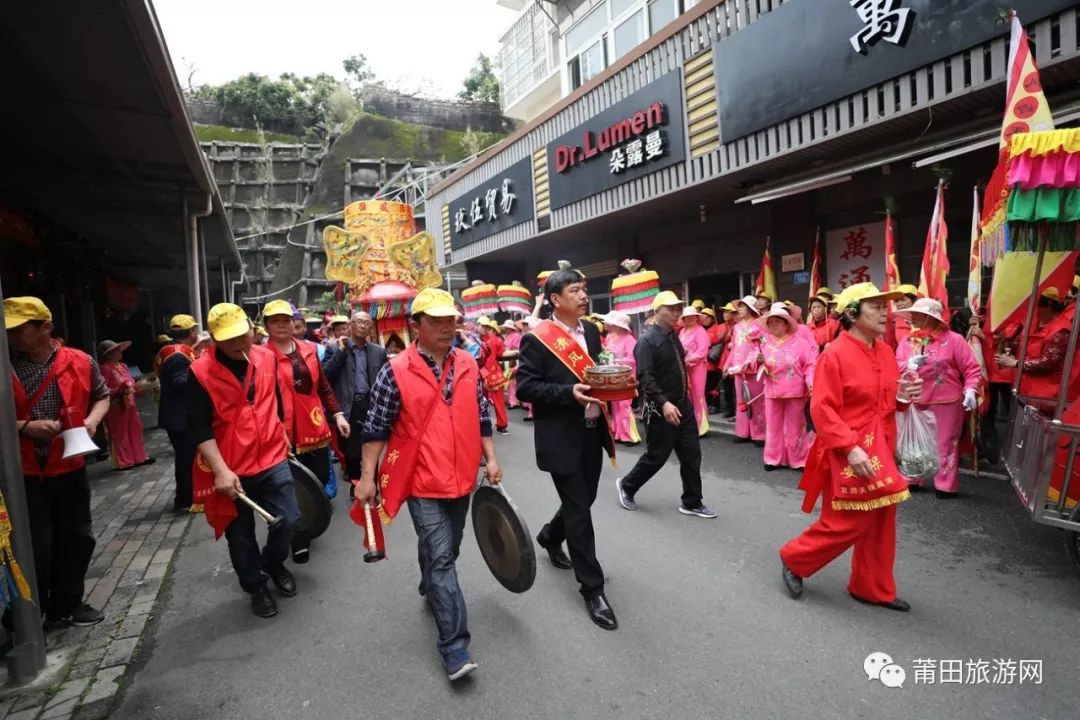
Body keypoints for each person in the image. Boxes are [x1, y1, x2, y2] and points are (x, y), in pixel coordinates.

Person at [354, 288, 502, 682]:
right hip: (422, 481)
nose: (445, 327)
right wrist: (368, 478)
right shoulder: (395, 369)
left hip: (463, 478)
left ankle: (431, 583)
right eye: (435, 321)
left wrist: (490, 458)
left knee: (448, 549)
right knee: (442, 559)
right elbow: (375, 428)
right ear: (415, 326)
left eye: (450, 319)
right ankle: (455, 647)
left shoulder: (469, 363)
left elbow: (482, 413)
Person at [779, 283, 922, 612]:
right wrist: (850, 447)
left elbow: (887, 403)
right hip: (849, 450)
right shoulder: (834, 354)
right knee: (846, 521)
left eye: (885, 306)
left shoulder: (885, 351)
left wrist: (904, 396)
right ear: (853, 313)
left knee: (883, 520)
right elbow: (822, 409)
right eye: (876, 307)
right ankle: (794, 558)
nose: (886, 312)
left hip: (882, 448)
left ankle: (872, 588)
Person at [516, 267, 619, 630]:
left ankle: (548, 536)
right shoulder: (537, 339)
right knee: (579, 511)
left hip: (592, 431)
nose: (582, 296)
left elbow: (597, 371)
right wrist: (566, 394)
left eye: (583, 289)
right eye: (574, 291)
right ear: (555, 300)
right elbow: (526, 388)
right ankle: (592, 588)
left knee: (584, 499)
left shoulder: (591, 331)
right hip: (561, 438)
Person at [187, 303, 300, 618]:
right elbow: (198, 427)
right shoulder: (199, 372)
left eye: (243, 335)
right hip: (231, 465)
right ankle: (256, 586)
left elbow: (273, 400)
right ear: (213, 339)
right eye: (228, 339)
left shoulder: (265, 356)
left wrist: (282, 433)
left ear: (252, 328)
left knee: (289, 519)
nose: (239, 344)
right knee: (240, 536)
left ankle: (274, 563)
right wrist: (221, 471)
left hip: (272, 456)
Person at [6, 297, 109, 628]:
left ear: (45, 327)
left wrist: (92, 421)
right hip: (23, 471)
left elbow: (102, 395)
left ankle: (69, 604)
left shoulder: (80, 361)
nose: (12, 337)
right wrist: (25, 427)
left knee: (78, 537)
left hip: (69, 466)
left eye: (19, 330)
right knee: (36, 545)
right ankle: (35, 610)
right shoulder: (6, 367)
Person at [616, 291, 716, 523]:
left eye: (678, 309)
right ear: (657, 310)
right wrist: (664, 403)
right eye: (670, 309)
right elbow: (645, 377)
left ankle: (692, 501)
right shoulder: (646, 341)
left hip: (683, 405)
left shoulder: (674, 335)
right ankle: (627, 486)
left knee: (692, 455)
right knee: (656, 456)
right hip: (658, 408)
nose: (676, 313)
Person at [263, 300, 350, 559]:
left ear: (294, 323)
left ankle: (307, 521)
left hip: (314, 427)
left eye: (286, 320)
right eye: (275, 321)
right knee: (288, 487)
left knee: (319, 479)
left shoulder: (309, 350)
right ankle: (297, 537)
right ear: (266, 325)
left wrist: (337, 414)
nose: (281, 325)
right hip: (281, 433)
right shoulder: (260, 356)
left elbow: (323, 386)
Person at [896, 298, 983, 498]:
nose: (913, 318)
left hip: (947, 402)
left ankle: (945, 484)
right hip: (914, 399)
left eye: (918, 314)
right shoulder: (907, 341)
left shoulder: (954, 340)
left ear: (931, 317)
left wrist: (971, 390)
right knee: (913, 440)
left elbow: (972, 368)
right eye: (914, 314)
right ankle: (912, 477)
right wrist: (908, 364)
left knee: (945, 443)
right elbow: (895, 364)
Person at [324, 311, 388, 495]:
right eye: (358, 322)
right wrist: (342, 352)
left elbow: (385, 379)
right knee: (351, 453)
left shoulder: (378, 351)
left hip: (370, 404)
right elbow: (326, 376)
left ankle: (371, 485)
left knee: (372, 447)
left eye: (366, 323)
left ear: (371, 328)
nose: (362, 325)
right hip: (347, 406)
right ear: (350, 325)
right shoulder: (335, 348)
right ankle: (355, 482)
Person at [995, 287, 1080, 407]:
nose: (1034, 310)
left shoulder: (1061, 330)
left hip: (1046, 397)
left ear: (1049, 305)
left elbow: (1048, 362)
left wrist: (1016, 363)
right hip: (1024, 390)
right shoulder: (1033, 323)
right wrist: (1007, 345)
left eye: (1037, 305)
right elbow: (1021, 345)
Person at [757, 304, 817, 471]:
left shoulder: (801, 343)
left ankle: (798, 459)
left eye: (777, 321)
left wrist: (811, 383)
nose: (773, 325)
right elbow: (760, 367)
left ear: (786, 324)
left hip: (795, 391)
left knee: (796, 426)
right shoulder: (765, 344)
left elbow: (810, 365)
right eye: (771, 322)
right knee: (773, 426)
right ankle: (772, 458)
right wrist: (759, 362)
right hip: (772, 391)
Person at [156, 314, 200, 511]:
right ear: (191, 332)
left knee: (185, 458)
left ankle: (185, 497)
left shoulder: (170, 350)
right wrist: (201, 373)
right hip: (180, 417)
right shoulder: (177, 354)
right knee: (186, 459)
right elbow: (180, 383)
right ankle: (187, 499)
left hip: (177, 415)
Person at [99, 339, 152, 471]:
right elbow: (104, 389)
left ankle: (139, 457)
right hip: (116, 405)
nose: (120, 352)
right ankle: (125, 461)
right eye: (116, 350)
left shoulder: (123, 366)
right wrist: (118, 390)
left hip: (130, 403)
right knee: (120, 432)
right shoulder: (105, 369)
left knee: (136, 428)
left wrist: (141, 387)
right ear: (109, 354)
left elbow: (132, 383)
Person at [726, 296, 766, 444]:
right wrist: (728, 364)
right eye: (740, 306)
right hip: (738, 368)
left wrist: (750, 361)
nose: (739, 309)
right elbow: (734, 347)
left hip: (753, 368)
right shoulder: (736, 327)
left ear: (750, 309)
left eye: (743, 306)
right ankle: (743, 432)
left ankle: (759, 433)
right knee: (741, 400)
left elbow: (761, 347)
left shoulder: (759, 325)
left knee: (756, 400)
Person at [601, 311, 640, 445]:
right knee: (615, 404)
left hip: (626, 375)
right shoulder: (610, 336)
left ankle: (630, 435)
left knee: (624, 405)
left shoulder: (630, 340)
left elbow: (633, 359)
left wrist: (616, 360)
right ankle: (618, 433)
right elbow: (606, 351)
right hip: (613, 374)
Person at [679, 305, 711, 437]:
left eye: (692, 316)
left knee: (698, 395)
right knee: (688, 396)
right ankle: (690, 424)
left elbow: (703, 351)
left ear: (697, 318)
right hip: (685, 368)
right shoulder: (682, 332)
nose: (690, 318)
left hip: (697, 367)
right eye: (687, 317)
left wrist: (689, 359)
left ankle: (701, 426)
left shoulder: (700, 331)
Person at [478, 318, 509, 434]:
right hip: (481, 372)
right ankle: (486, 424)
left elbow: (497, 356)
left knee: (496, 400)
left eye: (488, 327)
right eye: (483, 326)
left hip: (490, 373)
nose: (486, 329)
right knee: (482, 401)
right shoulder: (480, 339)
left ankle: (501, 424)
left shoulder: (493, 341)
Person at [718, 303, 738, 419]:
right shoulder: (721, 326)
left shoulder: (738, 326)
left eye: (728, 311)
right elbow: (719, 338)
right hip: (725, 358)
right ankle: (729, 409)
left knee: (737, 388)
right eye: (724, 312)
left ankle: (737, 412)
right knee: (727, 387)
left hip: (735, 358)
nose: (725, 314)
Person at [502, 319, 523, 409]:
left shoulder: (515, 336)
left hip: (512, 359)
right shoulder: (508, 336)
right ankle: (514, 401)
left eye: (507, 328)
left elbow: (515, 347)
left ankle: (513, 402)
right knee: (511, 381)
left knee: (512, 381)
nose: (506, 329)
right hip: (507, 359)